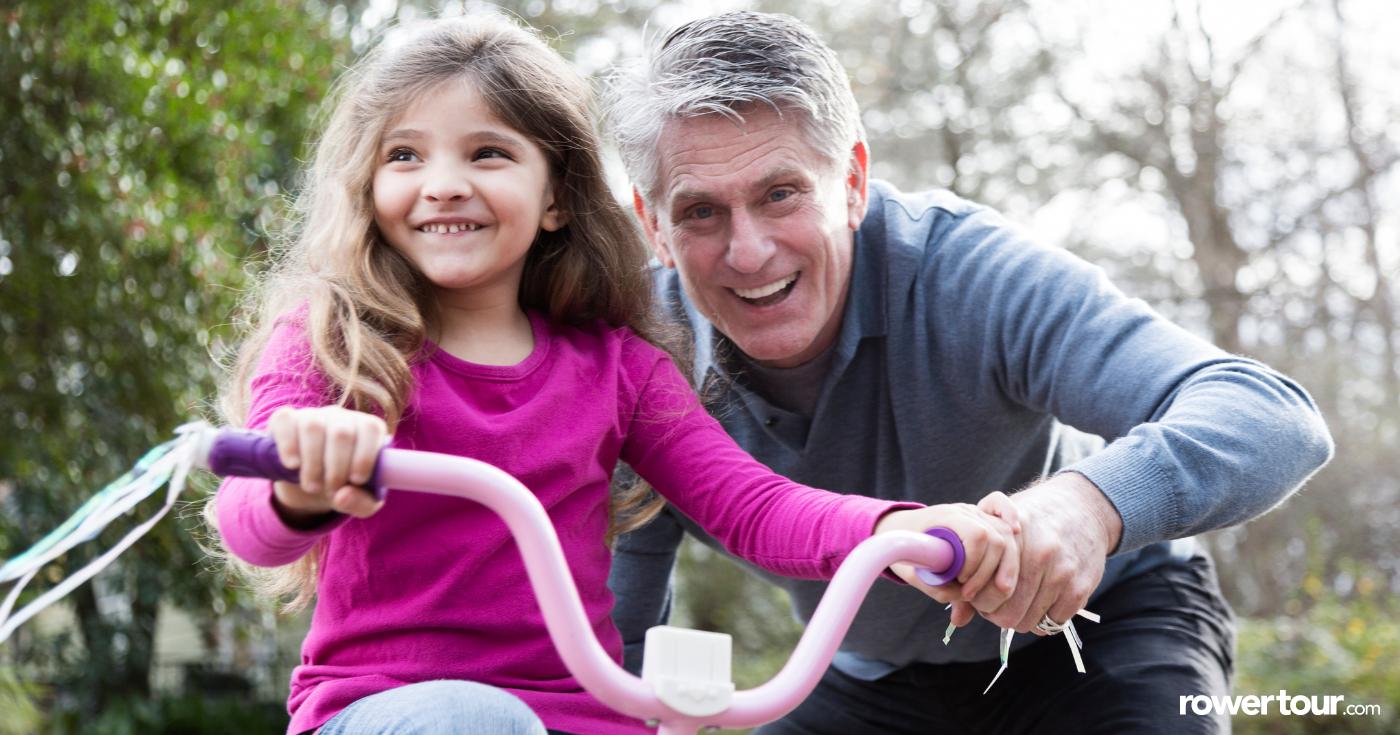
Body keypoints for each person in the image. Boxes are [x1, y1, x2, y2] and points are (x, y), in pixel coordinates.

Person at [205, 14, 1022, 735]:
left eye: (488, 153)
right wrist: (297, 480)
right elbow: (247, 520)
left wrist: (888, 531)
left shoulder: (617, 367)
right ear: (371, 184)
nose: (443, 183)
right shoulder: (332, 341)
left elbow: (751, 504)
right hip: (390, 707)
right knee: (472, 720)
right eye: (404, 155)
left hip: (587, 714)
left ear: (557, 195)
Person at [604, 10, 1334, 734]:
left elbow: (1271, 414)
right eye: (701, 211)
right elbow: (616, 648)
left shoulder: (967, 275)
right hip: (867, 673)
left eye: (780, 193)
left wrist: (1087, 507)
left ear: (853, 181)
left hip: (1101, 629)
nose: (749, 251)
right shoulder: (633, 360)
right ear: (654, 225)